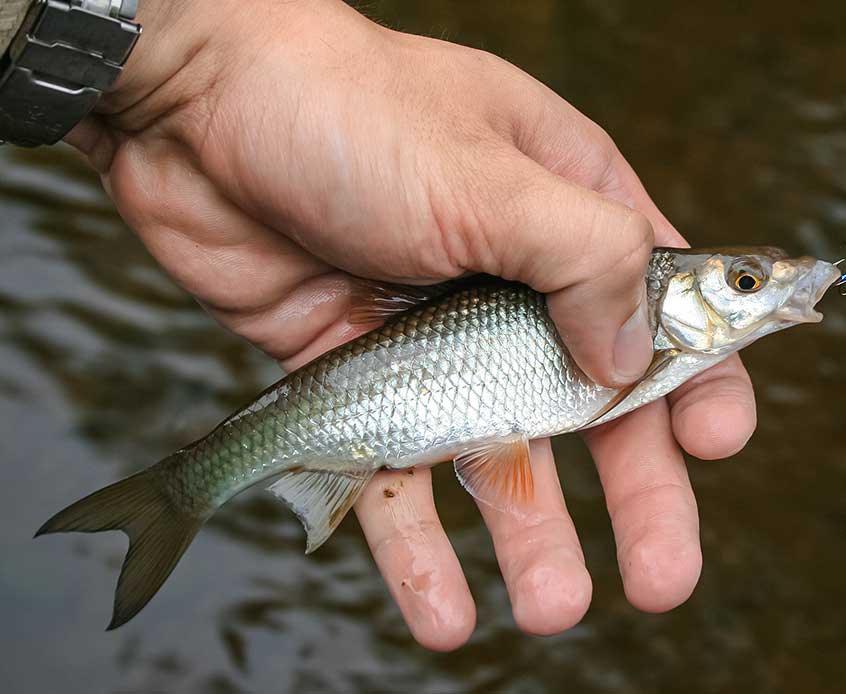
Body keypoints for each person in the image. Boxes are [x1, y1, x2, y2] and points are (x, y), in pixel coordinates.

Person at [4, 0, 756, 650]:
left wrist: (196, 54)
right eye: (745, 283)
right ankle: (180, 492)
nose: (755, 293)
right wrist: (204, 62)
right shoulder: (647, 329)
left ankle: (189, 492)